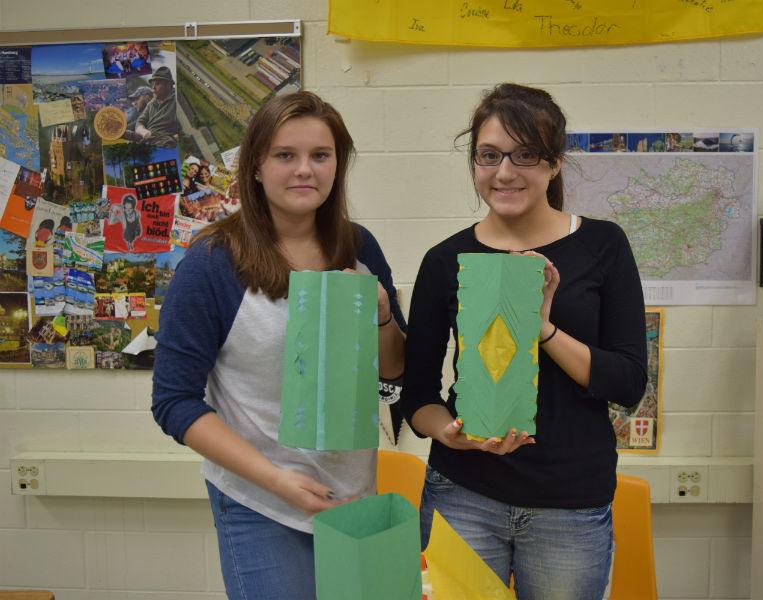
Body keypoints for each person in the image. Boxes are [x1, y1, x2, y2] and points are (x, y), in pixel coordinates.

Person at [151, 91, 406, 600]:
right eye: (285, 155)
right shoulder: (210, 264)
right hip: (260, 504)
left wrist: (382, 318)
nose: (304, 170)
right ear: (256, 167)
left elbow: (393, 374)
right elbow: (174, 403)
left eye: (320, 155)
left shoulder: (360, 248)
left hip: (354, 499)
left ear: (338, 166)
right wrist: (276, 480)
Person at [399, 83, 647, 600]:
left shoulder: (604, 245)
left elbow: (627, 382)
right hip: (463, 494)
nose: (505, 172)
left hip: (570, 506)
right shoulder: (445, 260)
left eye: (525, 155)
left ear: (554, 163)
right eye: (489, 156)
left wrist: (542, 330)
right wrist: (450, 434)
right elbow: (418, 395)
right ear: (474, 163)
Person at [133, 66, 178, 148]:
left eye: (157, 84)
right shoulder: (151, 104)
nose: (153, 88)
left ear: (168, 85)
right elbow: (139, 122)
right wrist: (144, 132)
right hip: (147, 142)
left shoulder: (176, 101)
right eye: (152, 84)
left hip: (166, 145)